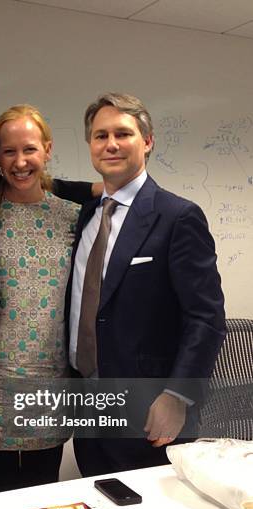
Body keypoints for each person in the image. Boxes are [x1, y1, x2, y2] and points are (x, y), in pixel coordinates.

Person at [62, 93, 226, 477]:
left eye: (123, 133)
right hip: (88, 401)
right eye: (100, 136)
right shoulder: (86, 215)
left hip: (151, 409)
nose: (111, 144)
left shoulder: (177, 217)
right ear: (90, 145)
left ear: (147, 142)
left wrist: (177, 396)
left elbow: (206, 317)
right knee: (100, 508)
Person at [0, 104, 97, 509]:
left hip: (51, 379)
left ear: (47, 150)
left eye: (30, 149)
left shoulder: (72, 216)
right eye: (8, 150)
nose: (20, 160)